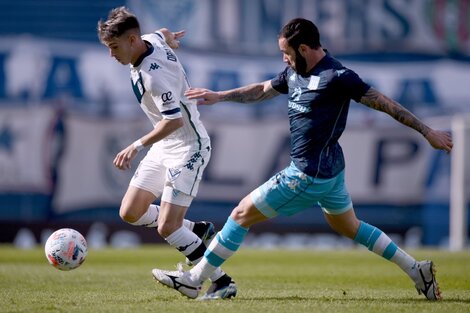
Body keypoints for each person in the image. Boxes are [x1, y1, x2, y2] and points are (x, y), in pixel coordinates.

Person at [152, 18, 453, 301]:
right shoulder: (294, 72)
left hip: (307, 175)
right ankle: (417, 269)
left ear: (305, 49)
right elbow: (261, 89)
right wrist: (220, 95)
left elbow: (385, 104)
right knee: (350, 226)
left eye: (285, 52)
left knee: (240, 214)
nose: (283, 57)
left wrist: (427, 131)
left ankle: (194, 280)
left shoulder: (338, 77)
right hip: (331, 173)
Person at [97, 7, 236, 299]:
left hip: (189, 147)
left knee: (167, 227)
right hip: (165, 146)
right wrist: (170, 38)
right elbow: (161, 34)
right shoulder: (150, 39)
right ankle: (195, 229)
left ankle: (221, 282)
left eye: (114, 47)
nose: (112, 55)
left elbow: (174, 121)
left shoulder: (153, 77)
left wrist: (136, 145)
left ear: (132, 40)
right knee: (130, 212)